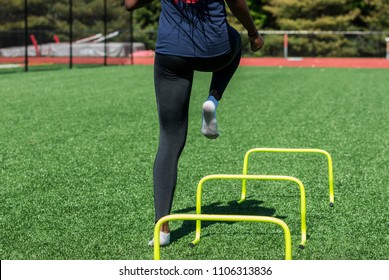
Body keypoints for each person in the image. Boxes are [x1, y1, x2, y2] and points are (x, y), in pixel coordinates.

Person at [125, 0, 264, 246]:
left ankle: (162, 229)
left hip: (172, 55)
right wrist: (253, 33)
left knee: (169, 139)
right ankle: (213, 98)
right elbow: (238, 3)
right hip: (216, 51)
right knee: (235, 38)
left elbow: (130, 4)